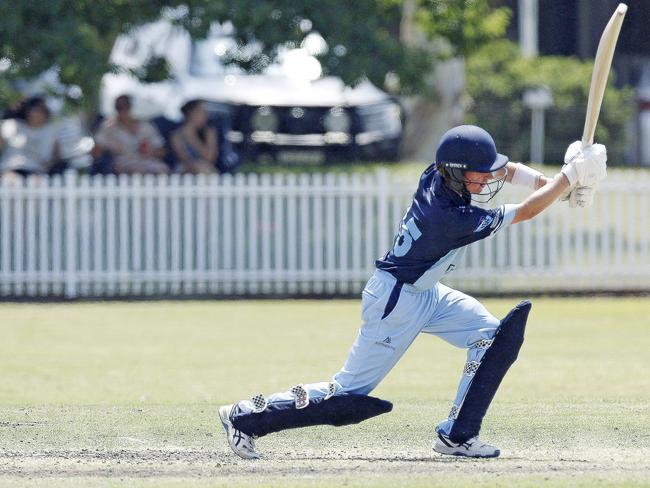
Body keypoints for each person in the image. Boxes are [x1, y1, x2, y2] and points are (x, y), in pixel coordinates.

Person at [218, 125, 607, 460]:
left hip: (425, 292)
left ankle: (458, 435)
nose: (486, 180)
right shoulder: (452, 218)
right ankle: (244, 417)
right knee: (349, 392)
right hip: (396, 301)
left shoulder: (438, 175)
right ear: (456, 174)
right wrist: (569, 179)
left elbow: (505, 171)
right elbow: (524, 211)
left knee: (492, 338)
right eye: (477, 175)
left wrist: (558, 184)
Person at [93, 95, 169, 175]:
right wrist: (109, 149)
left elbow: (161, 150)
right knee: (136, 172)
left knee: (162, 170)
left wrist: (150, 151)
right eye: (119, 107)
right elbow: (96, 150)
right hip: (123, 164)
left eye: (126, 106)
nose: (123, 110)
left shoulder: (146, 126)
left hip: (148, 162)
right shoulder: (109, 127)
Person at [0, 96, 60, 176]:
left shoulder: (51, 131)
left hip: (37, 172)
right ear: (27, 111)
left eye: (43, 111)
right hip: (11, 169)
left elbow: (56, 157)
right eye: (37, 110)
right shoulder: (12, 125)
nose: (40, 114)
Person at [170, 99, 218, 174]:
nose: (205, 115)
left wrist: (192, 138)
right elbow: (184, 159)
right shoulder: (177, 135)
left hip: (206, 167)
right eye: (201, 112)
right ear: (190, 114)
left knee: (205, 169)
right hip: (185, 170)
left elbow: (210, 157)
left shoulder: (209, 132)